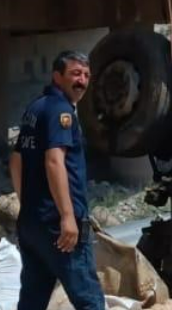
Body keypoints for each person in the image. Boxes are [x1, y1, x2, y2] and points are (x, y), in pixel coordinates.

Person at [10, 50, 104, 310]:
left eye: (86, 75)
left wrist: (27, 203)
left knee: (32, 298)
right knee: (89, 299)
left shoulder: (36, 107)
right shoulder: (61, 111)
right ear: (57, 76)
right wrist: (67, 216)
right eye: (75, 74)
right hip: (58, 227)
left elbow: (16, 160)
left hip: (33, 222)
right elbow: (54, 160)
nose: (82, 81)